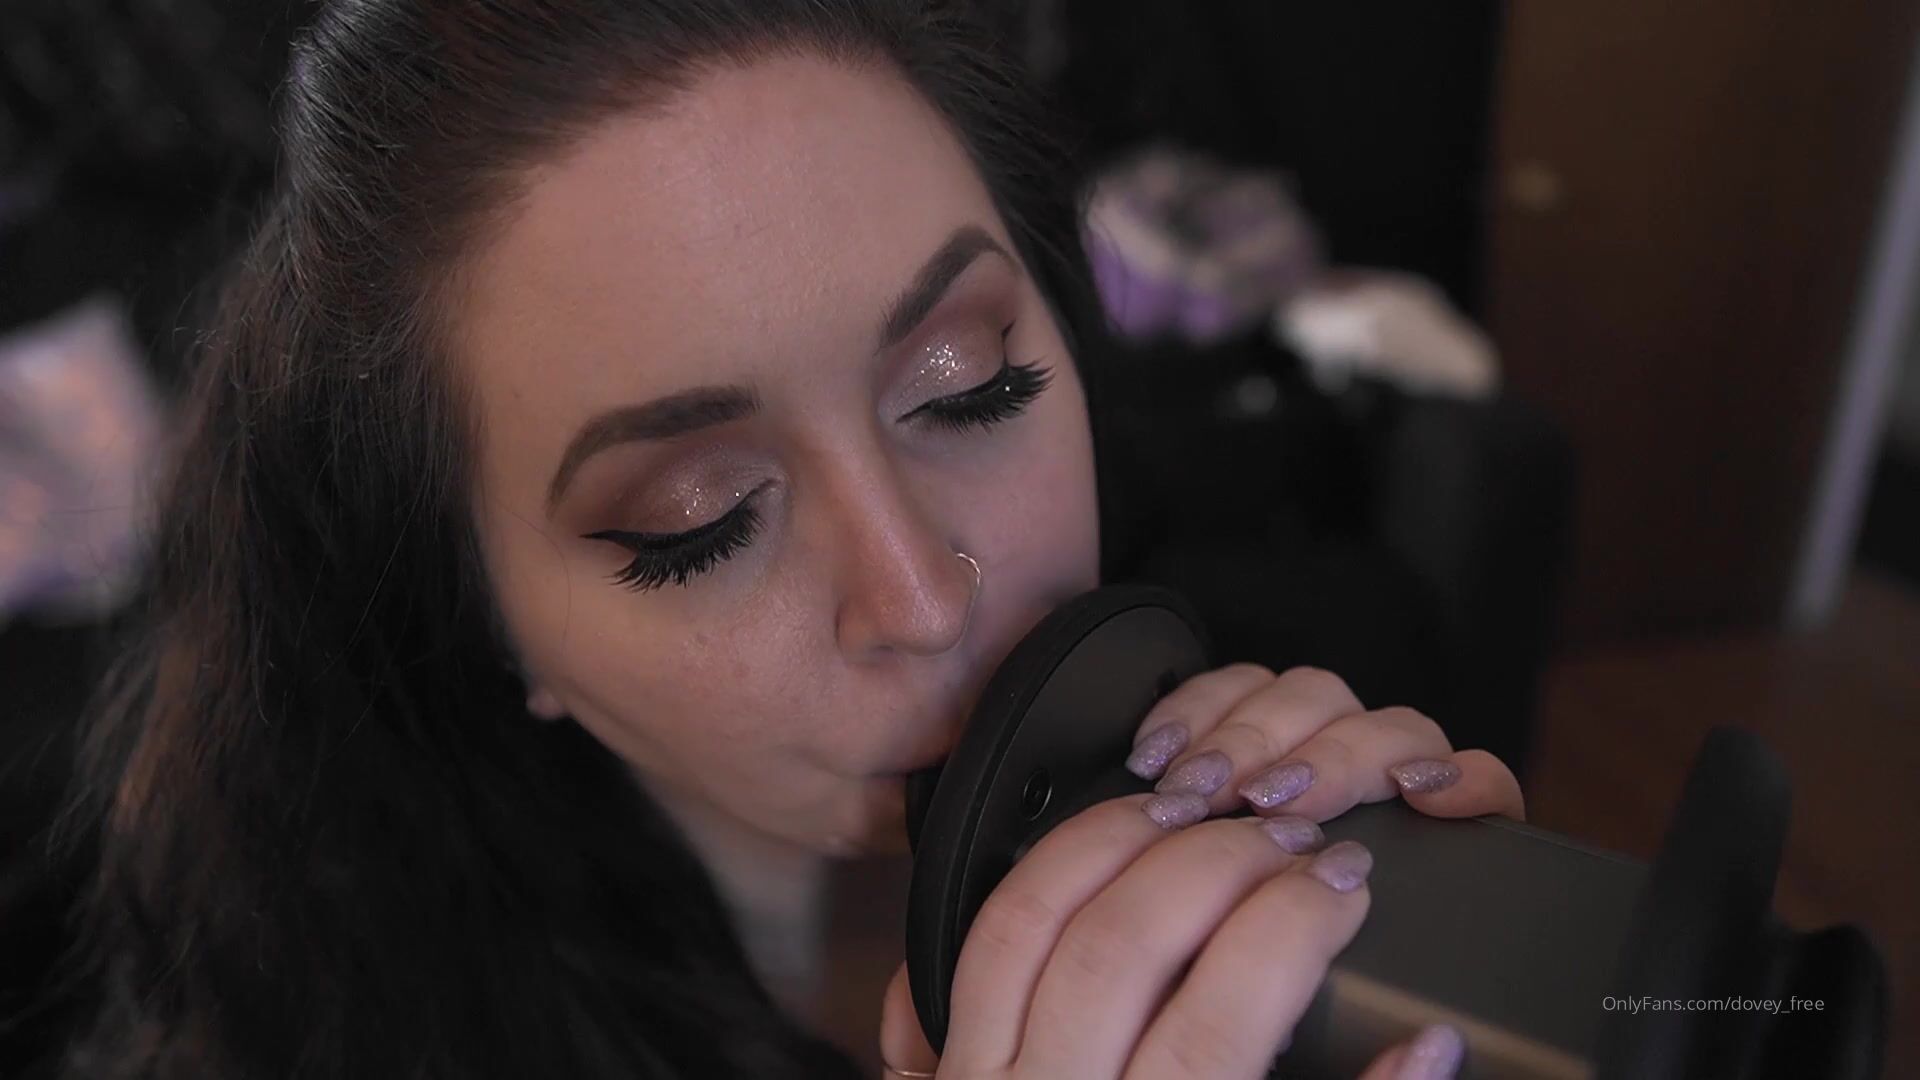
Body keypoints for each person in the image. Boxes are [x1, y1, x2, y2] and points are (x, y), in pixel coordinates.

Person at [57, 1, 1526, 1077]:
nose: (922, 597)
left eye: (969, 385)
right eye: (700, 524)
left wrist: (1500, 970)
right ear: (482, 612)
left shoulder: (1330, 713)